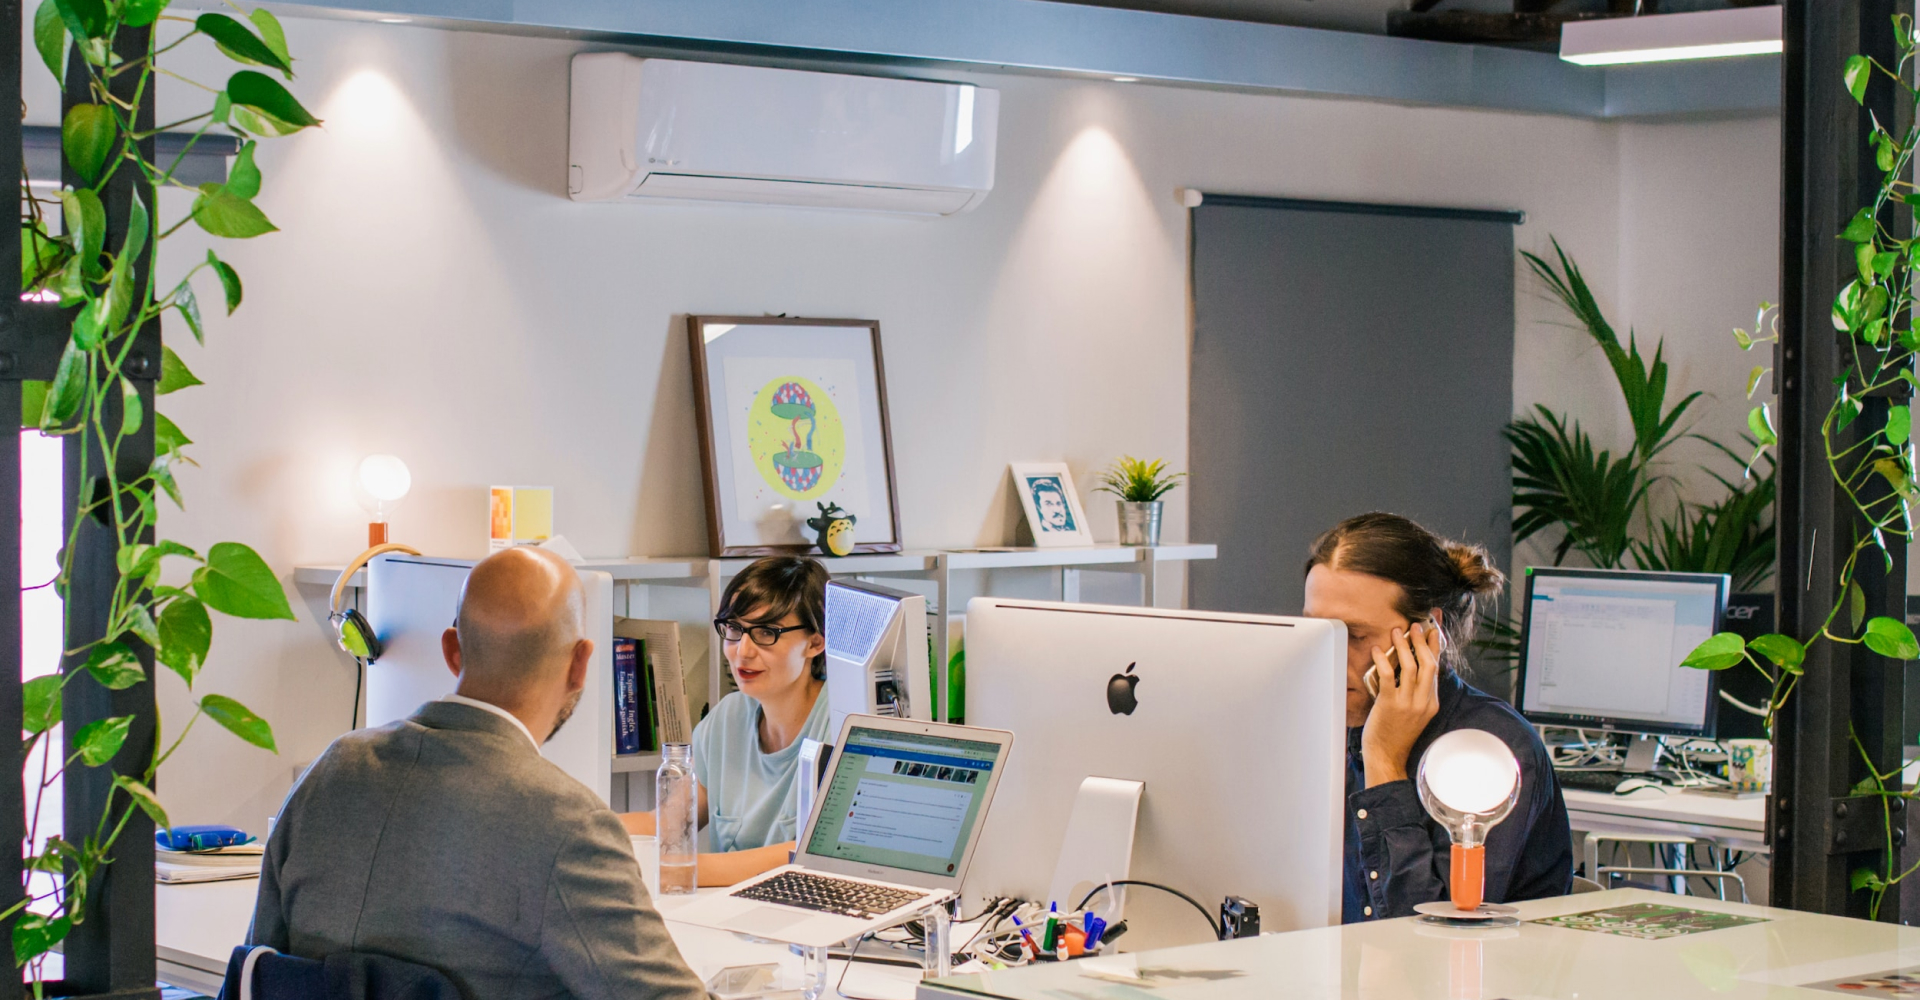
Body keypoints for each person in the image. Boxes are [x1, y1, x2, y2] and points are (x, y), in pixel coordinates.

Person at [250, 546, 705, 1000]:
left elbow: (257, 968)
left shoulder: (331, 772)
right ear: (580, 664)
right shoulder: (569, 826)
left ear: (452, 651)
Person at [1301, 511, 1572, 921]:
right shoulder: (1315, 727)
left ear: (1429, 632)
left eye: (1355, 636)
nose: (1330, 654)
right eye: (1318, 631)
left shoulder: (1489, 750)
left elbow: (1430, 937)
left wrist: (1383, 760)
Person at [621, 556, 831, 886]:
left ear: (815, 642)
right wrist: (583, 830)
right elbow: (667, 824)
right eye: (734, 629)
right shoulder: (727, 719)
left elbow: (815, 856)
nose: (742, 651)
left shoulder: (841, 722)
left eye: (766, 632)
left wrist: (681, 871)